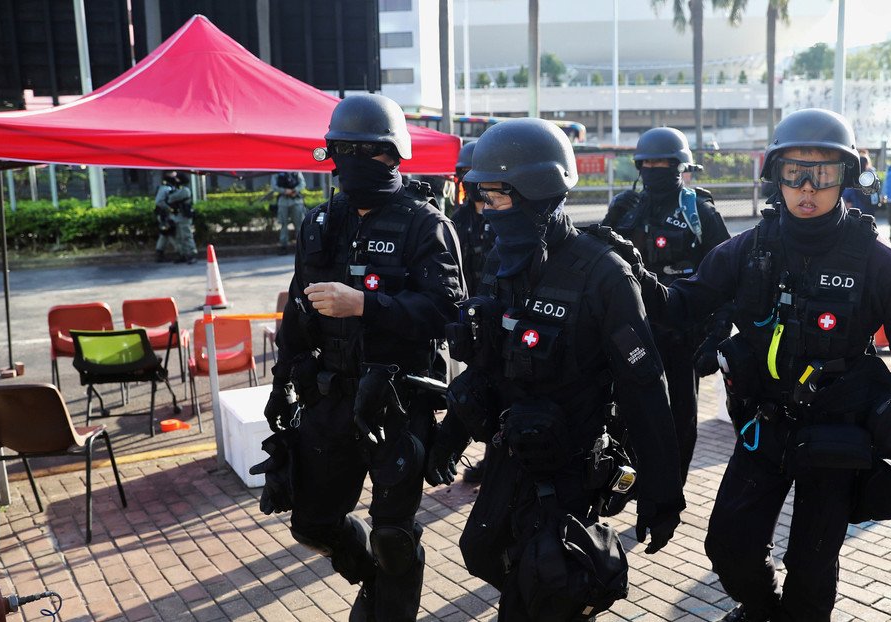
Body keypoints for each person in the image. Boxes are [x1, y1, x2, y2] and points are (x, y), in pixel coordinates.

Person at [643, 108, 891, 621]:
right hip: (765, 426)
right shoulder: (746, 250)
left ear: (845, 177)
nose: (807, 188)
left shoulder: (877, 261)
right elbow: (683, 303)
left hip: (838, 435)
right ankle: (759, 608)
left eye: (822, 174)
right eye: (794, 173)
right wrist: (630, 277)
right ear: (774, 175)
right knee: (728, 548)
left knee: (812, 565)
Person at [426, 118, 685, 620]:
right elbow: (486, 363)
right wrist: (450, 437)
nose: (486, 210)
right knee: (482, 550)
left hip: (573, 464)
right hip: (511, 454)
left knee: (547, 585)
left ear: (535, 191)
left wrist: (662, 493)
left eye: (496, 197)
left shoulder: (604, 273)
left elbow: (645, 390)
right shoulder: (504, 261)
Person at [252, 93, 464, 621]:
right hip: (331, 395)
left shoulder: (425, 224)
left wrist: (366, 305)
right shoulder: (320, 222)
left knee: (394, 536)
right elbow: (298, 310)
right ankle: (371, 575)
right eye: (341, 151)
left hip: (398, 399)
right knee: (312, 523)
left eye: (365, 152)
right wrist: (282, 383)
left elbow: (447, 312)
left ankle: (387, 603)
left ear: (393, 156)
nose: (351, 164)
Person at [602, 126, 731, 479]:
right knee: (626, 407)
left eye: (664, 163)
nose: (656, 170)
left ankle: (671, 486)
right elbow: (598, 261)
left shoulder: (699, 211)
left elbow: (727, 277)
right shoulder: (626, 208)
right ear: (640, 166)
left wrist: (716, 337)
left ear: (680, 166)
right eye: (649, 163)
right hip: (631, 327)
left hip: (682, 333)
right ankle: (631, 479)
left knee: (680, 419)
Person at [448, 140, 495, 485]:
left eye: (473, 173)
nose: (468, 179)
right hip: (469, 321)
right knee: (473, 390)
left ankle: (497, 462)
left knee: (501, 392)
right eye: (463, 173)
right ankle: (482, 456)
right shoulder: (456, 220)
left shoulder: (505, 217)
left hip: (501, 320)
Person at [155, 171, 197, 264]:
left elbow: (171, 198)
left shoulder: (184, 190)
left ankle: (191, 255)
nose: (175, 180)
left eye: (177, 178)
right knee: (178, 237)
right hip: (178, 217)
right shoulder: (177, 189)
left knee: (186, 236)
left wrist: (170, 195)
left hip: (184, 217)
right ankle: (182, 255)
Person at [272, 171, 307, 254]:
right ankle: (283, 246)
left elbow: (303, 183)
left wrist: (294, 190)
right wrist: (284, 191)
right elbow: (274, 186)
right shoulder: (276, 172)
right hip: (283, 201)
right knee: (283, 224)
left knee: (299, 224)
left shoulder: (296, 171)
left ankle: (301, 246)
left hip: (296, 201)